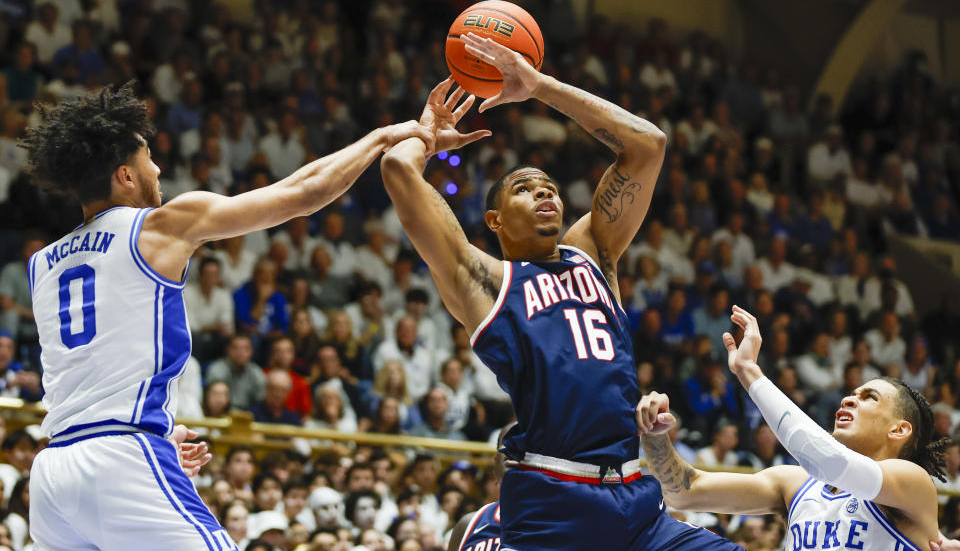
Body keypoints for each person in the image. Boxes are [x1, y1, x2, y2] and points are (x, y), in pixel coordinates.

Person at [20, 83, 435, 549]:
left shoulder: (43, 263)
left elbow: (87, 367)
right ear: (125, 176)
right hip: (121, 457)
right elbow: (301, 193)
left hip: (54, 475)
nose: (158, 168)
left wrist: (154, 431)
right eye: (148, 159)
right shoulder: (159, 226)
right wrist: (383, 138)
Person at [382, 34, 737, 551]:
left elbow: (648, 145)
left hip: (638, 498)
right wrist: (427, 135)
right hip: (554, 501)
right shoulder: (484, 281)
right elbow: (396, 169)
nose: (544, 191)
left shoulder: (590, 252)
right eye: (524, 188)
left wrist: (539, 87)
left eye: (548, 185)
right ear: (495, 220)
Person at [636, 305, 947, 551]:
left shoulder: (914, 483)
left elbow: (829, 461)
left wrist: (749, 373)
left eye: (869, 398)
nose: (849, 400)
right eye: (852, 394)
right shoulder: (796, 483)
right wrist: (655, 436)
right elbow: (685, 491)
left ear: (898, 430)